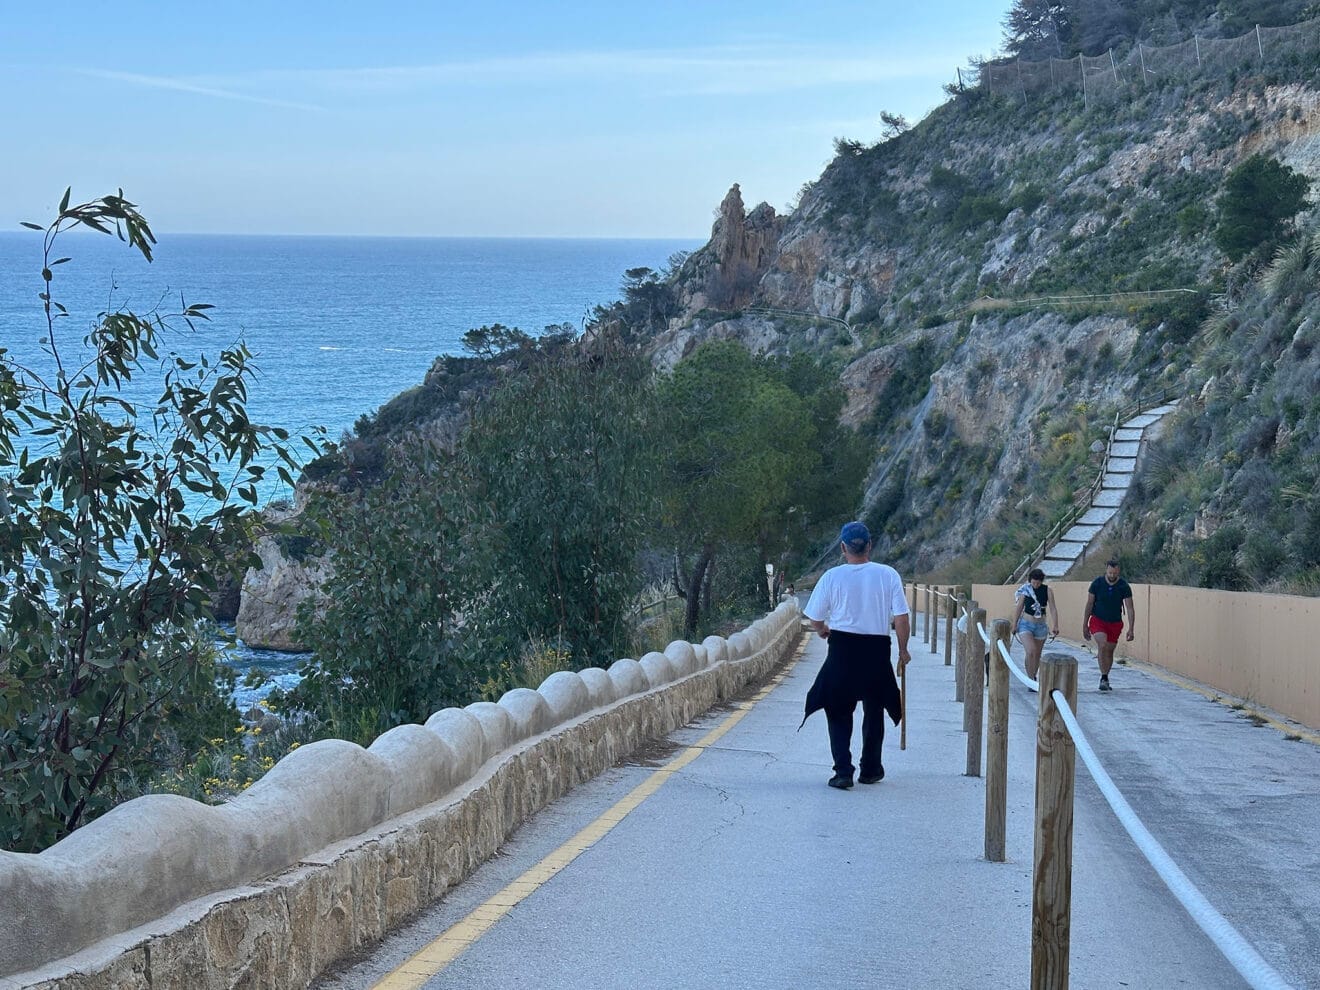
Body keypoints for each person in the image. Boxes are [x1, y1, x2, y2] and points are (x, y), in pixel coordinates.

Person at [799, 521, 911, 790]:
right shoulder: (888, 575)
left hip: (843, 651)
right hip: (876, 651)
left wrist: (823, 630)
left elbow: (814, 617)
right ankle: (871, 769)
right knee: (875, 708)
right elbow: (901, 617)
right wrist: (904, 649)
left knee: (837, 708)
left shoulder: (831, 577)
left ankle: (843, 771)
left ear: (842, 548)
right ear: (869, 545)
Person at [1082, 559, 1134, 692]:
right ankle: (1103, 677)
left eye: (1115, 573)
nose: (1112, 576)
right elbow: (1089, 604)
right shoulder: (1097, 583)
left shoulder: (1124, 586)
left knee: (1109, 651)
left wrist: (1131, 628)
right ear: (1106, 570)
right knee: (1103, 644)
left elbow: (1129, 608)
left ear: (1118, 572)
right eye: (1110, 573)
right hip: (1098, 619)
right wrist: (1085, 624)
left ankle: (1105, 676)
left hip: (1115, 622)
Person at [1012, 567, 1059, 686]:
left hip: (1041, 625)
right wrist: (1014, 624)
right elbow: (1019, 607)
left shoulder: (1048, 590)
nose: (1036, 585)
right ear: (1030, 581)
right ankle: (1030, 679)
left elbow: (1053, 608)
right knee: (1031, 651)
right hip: (1025, 624)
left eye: (1038, 582)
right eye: (1033, 582)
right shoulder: (1025, 590)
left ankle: (1033, 675)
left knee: (1037, 653)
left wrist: (1055, 624)